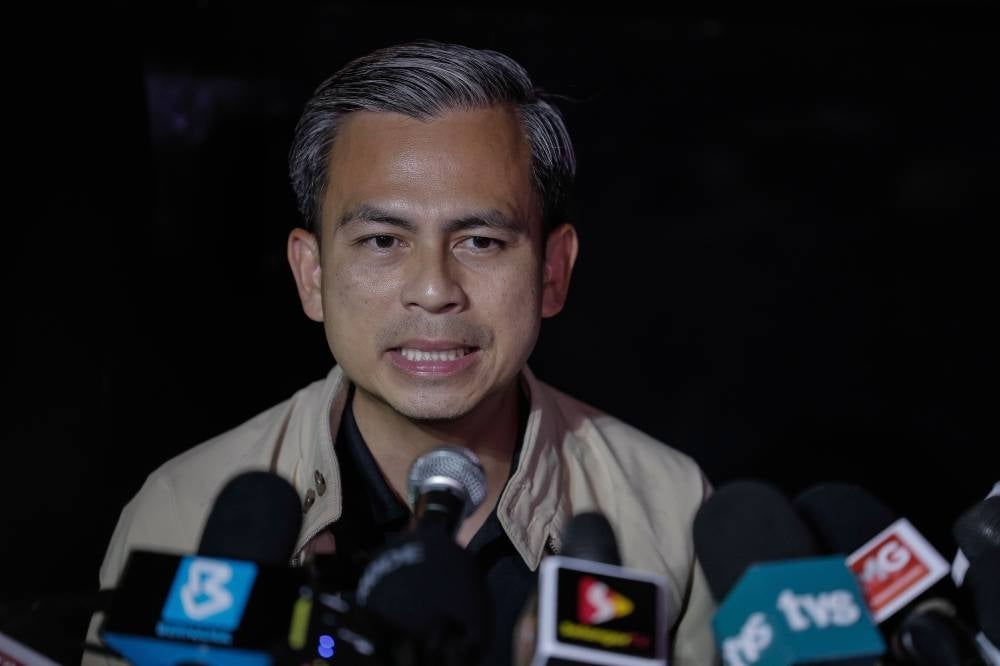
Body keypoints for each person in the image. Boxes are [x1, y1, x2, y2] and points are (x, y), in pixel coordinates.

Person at [83, 40, 718, 665]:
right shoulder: (183, 510)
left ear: (553, 271)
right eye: (384, 240)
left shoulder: (668, 510)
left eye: (482, 241)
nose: (435, 291)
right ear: (311, 276)